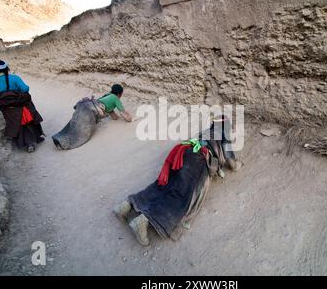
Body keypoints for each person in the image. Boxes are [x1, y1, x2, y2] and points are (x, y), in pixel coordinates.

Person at [113, 117, 241, 246]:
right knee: (181, 197)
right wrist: (238, 164)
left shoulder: (207, 132)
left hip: (183, 151)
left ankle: (126, 205)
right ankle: (143, 221)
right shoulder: (224, 135)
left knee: (165, 185)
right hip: (197, 160)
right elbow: (232, 164)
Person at [52, 84, 132, 150]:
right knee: (81, 133)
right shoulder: (115, 98)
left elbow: (113, 116)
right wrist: (131, 119)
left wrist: (116, 117)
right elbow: (124, 114)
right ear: (119, 94)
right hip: (90, 110)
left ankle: (58, 137)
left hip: (86, 105)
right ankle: (63, 143)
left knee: (73, 124)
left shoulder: (108, 96)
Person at [0, 60, 45, 152]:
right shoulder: (14, 78)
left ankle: (22, 143)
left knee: (15, 125)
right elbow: (25, 88)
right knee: (29, 122)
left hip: (8, 109)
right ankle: (36, 139)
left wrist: (0, 108)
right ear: (6, 68)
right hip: (22, 106)